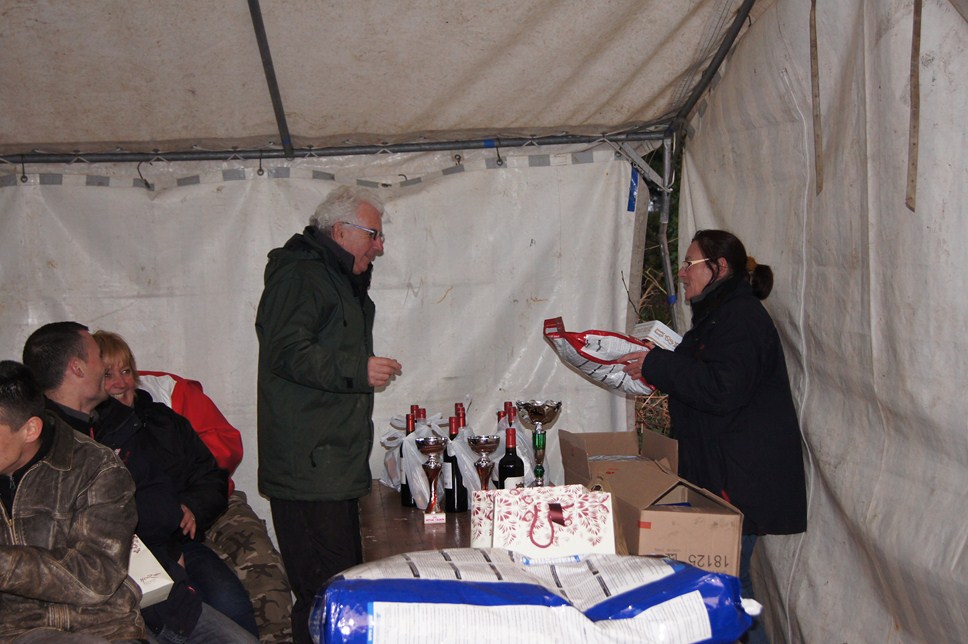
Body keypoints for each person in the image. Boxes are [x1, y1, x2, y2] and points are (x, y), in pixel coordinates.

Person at [621, 230, 807, 644]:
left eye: (690, 264)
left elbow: (723, 388)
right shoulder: (718, 316)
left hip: (738, 480)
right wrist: (651, 364)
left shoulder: (740, 317)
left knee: (730, 587)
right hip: (723, 474)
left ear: (718, 267)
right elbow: (696, 376)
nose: (682, 274)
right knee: (727, 585)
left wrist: (659, 365)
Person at [22, 321, 258, 644]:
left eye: (125, 370)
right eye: (102, 366)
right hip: (105, 599)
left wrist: (187, 514)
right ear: (77, 368)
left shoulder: (129, 423)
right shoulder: (42, 443)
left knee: (237, 625)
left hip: (161, 572)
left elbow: (173, 494)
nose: (115, 378)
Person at [256, 185, 402, 643]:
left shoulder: (339, 278)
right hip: (308, 466)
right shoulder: (302, 276)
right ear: (340, 231)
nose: (380, 246)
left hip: (330, 461)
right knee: (325, 589)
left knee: (337, 585)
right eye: (373, 235)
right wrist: (355, 369)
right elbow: (285, 351)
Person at [94, 330, 260, 638]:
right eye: (107, 375)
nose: (120, 383)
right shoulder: (89, 435)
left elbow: (210, 474)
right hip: (128, 556)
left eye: (126, 371)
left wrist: (193, 507)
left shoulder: (164, 420)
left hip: (183, 539)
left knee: (232, 604)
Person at [0, 360, 146, 643]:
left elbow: (97, 576)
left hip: (100, 626)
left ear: (30, 430)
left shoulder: (96, 467)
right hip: (14, 630)